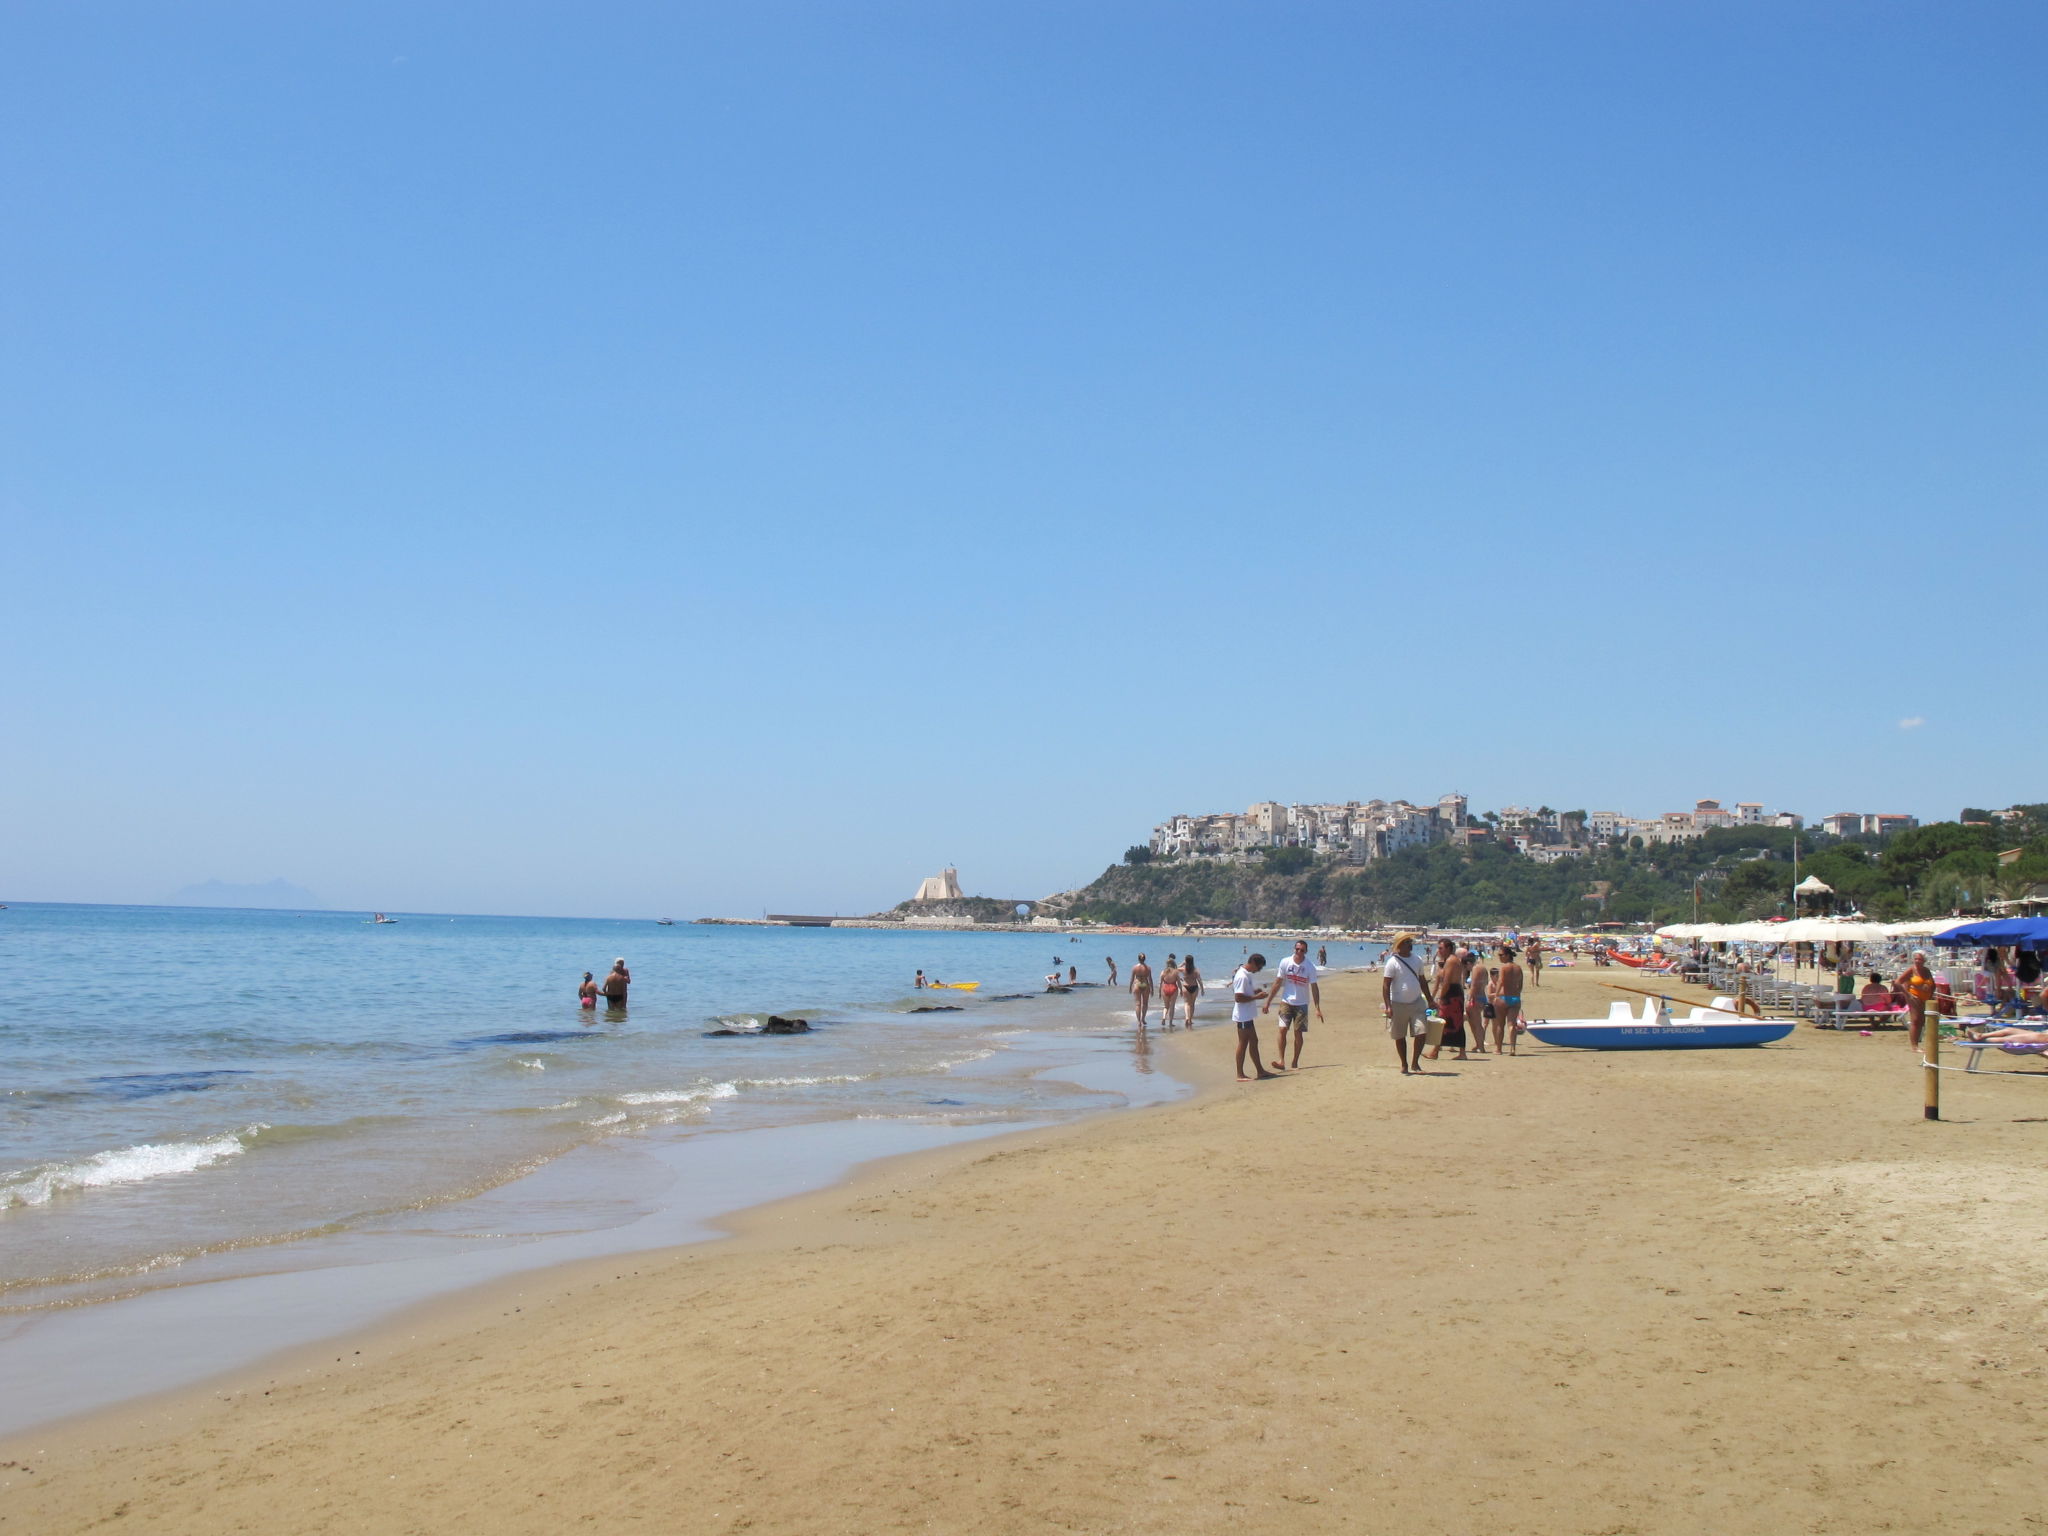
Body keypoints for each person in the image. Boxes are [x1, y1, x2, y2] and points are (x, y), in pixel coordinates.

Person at [1264, 938, 1323, 1069]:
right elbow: (1278, 983)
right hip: (1286, 1001)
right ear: (1294, 949)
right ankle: (1281, 1061)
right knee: (1282, 1029)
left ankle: (1295, 1061)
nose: (1299, 952)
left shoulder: (1309, 967)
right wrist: (1268, 1002)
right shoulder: (1285, 962)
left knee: (1298, 1033)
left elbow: (1314, 987)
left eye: (1302, 950)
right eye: (1297, 949)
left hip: (1302, 1003)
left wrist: (1317, 1008)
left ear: (1306, 951)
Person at [1380, 933, 1430, 1075]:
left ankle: (1415, 1062)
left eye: (1410, 941)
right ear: (1400, 945)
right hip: (1398, 1003)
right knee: (1400, 1035)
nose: (1410, 944)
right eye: (1407, 942)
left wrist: (1430, 1000)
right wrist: (1388, 1006)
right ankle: (1404, 1064)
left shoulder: (1417, 960)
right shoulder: (1392, 962)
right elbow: (1386, 985)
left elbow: (1423, 981)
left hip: (1417, 1002)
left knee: (1422, 1031)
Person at [1231, 953, 1275, 1081]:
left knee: (1254, 1041)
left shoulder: (1246, 974)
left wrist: (1254, 992)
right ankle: (1240, 1074)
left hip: (1247, 1015)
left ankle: (1260, 1071)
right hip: (1243, 1015)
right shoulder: (1242, 976)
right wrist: (1257, 997)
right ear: (1254, 963)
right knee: (1243, 1043)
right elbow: (1238, 998)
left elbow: (1244, 993)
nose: (1259, 970)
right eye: (1259, 967)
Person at [1426, 938, 1467, 1061]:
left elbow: (1447, 982)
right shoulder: (1451, 960)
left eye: (1440, 948)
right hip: (1455, 992)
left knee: (1444, 1021)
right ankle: (1460, 1052)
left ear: (1448, 948)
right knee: (1454, 1022)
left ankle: (1435, 1051)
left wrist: (1441, 998)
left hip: (1452, 994)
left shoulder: (1451, 961)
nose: (1438, 950)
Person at [1489, 946, 1524, 1055]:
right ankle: (1512, 1048)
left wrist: (1496, 996)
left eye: (1501, 955)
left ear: (1507, 955)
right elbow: (1520, 986)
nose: (1499, 957)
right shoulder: (1518, 968)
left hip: (1503, 997)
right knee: (1512, 1024)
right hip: (1515, 998)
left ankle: (1499, 1049)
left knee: (1500, 1024)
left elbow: (1501, 982)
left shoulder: (1504, 968)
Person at [1129, 953, 1154, 1028]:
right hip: (1145, 985)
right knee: (1145, 1004)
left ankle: (1138, 1021)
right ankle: (1143, 1019)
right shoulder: (1148, 968)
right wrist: (1152, 989)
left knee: (1138, 1004)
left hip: (1137, 984)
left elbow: (1132, 978)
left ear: (1138, 959)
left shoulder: (1135, 967)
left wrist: (1130, 987)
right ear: (1144, 959)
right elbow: (1150, 979)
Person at [1159, 955, 1183, 1028]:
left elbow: (1160, 983)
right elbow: (1178, 982)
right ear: (1173, 964)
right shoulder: (1175, 972)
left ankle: (1163, 1018)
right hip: (1173, 987)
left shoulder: (1163, 972)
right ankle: (1170, 1022)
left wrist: (1159, 992)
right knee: (1172, 1006)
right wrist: (1181, 990)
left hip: (1165, 987)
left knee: (1166, 1006)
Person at [1180, 953, 1203, 1024]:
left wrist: (1182, 963)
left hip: (1185, 987)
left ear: (1186, 961)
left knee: (1187, 1003)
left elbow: (1174, 969)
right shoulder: (1196, 970)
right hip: (1194, 987)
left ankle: (1187, 1017)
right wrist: (1202, 989)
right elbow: (1199, 980)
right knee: (1192, 1004)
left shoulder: (1183, 969)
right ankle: (1190, 1019)